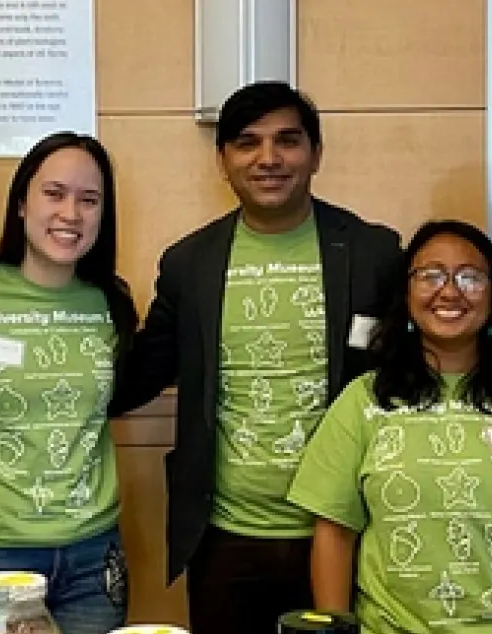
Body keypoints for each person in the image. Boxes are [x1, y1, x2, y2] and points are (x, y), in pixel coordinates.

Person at [108, 80, 404, 633]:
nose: (268, 158)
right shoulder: (189, 263)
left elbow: (413, 372)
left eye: (288, 141)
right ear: (223, 161)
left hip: (344, 531)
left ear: (316, 154)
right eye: (247, 143)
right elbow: (146, 368)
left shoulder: (372, 252)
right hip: (225, 540)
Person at [289, 220, 492, 634]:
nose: (449, 291)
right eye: (430, 275)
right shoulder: (364, 399)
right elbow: (335, 532)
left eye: (470, 277)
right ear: (406, 292)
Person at [0, 131, 137, 633]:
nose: (70, 213)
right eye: (54, 194)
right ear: (22, 204)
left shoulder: (110, 304)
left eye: (88, 199)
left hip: (92, 558)